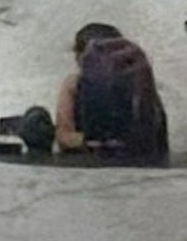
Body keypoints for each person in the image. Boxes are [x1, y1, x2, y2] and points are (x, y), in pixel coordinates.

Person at [55, 22, 169, 164]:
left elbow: (154, 133)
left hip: (133, 157)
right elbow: (63, 136)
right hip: (88, 158)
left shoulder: (135, 81)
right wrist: (91, 141)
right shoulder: (74, 85)